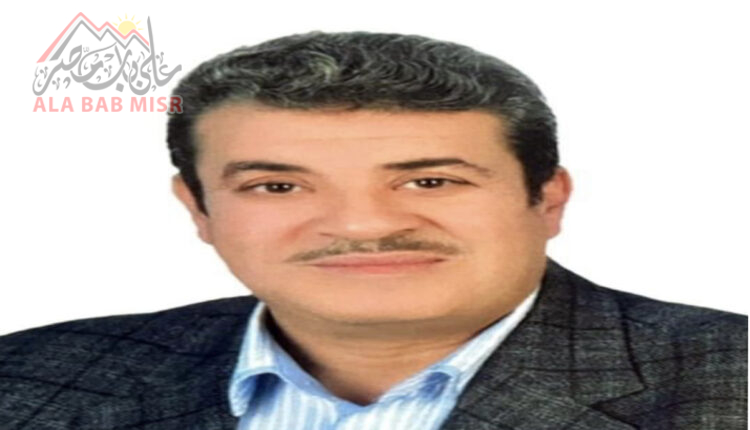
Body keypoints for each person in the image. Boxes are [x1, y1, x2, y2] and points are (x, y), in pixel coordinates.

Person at [0, 31, 746, 430]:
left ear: (548, 198)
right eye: (277, 186)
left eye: (430, 181)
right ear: (198, 209)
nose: (364, 224)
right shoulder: (27, 379)